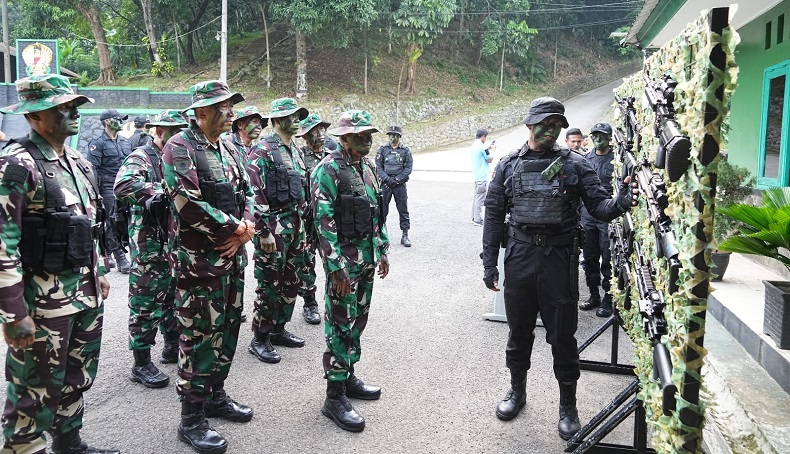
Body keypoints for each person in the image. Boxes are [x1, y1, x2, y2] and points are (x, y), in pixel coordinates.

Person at [481, 97, 638, 440]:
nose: (552, 130)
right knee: (518, 332)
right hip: (520, 257)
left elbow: (599, 206)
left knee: (562, 337)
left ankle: (568, 406)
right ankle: (516, 392)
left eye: (557, 125)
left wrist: (622, 202)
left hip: (559, 260)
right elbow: (493, 216)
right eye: (546, 124)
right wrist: (489, 263)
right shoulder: (508, 165)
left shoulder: (576, 165)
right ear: (530, 125)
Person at [0, 74, 118, 453]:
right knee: (32, 392)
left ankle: (70, 444)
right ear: (34, 117)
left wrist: (97, 270)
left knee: (76, 378)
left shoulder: (78, 161)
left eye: (74, 106)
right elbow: (3, 244)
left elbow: (87, 224)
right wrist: (14, 313)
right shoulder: (17, 165)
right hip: (42, 303)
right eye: (60, 107)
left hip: (83, 296)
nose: (72, 112)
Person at [162, 80, 255, 453]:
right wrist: (234, 226)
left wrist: (246, 229)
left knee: (228, 329)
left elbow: (249, 193)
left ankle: (216, 396)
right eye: (223, 107)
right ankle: (192, 419)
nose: (231, 112)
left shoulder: (229, 148)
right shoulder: (179, 147)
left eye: (230, 105)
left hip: (232, 259)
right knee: (199, 337)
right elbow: (186, 202)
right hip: (198, 265)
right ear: (201, 112)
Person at [311, 110, 389, 432]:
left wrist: (382, 248)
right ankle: (334, 395)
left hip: (366, 261)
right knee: (340, 325)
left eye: (369, 135)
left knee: (358, 321)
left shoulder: (367, 168)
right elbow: (322, 221)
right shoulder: (327, 170)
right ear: (344, 138)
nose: (367, 140)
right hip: (344, 265)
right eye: (360, 135)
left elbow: (376, 214)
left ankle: (348, 376)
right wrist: (336, 267)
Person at [114, 110, 188, 389]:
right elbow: (123, 185)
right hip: (149, 244)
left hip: (174, 243)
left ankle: (171, 346)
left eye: (182, 128)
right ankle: (141, 362)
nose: (178, 134)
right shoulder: (141, 157)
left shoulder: (181, 155)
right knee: (145, 301)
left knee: (172, 295)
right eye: (172, 130)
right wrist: (162, 191)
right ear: (157, 131)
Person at [246, 98, 309, 364]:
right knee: (270, 283)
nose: (296, 120)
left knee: (291, 281)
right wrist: (263, 231)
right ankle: (260, 338)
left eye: (298, 116)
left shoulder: (294, 149)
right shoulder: (262, 150)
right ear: (276, 121)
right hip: (273, 229)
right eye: (290, 116)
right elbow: (253, 193)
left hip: (296, 227)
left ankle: (279, 328)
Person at [295, 113, 331, 325]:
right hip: (307, 221)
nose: (321, 134)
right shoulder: (299, 156)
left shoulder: (333, 155)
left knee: (332, 260)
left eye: (322, 129)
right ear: (306, 136)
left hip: (328, 219)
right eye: (315, 131)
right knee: (307, 262)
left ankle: (332, 302)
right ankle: (310, 304)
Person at [86, 108, 132, 274]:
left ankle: (109, 251)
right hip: (107, 186)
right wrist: (95, 193)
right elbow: (93, 170)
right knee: (111, 220)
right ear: (107, 122)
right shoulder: (97, 144)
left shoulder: (125, 142)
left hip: (125, 185)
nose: (121, 122)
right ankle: (120, 257)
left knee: (126, 219)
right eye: (118, 119)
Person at [579, 122, 616, 318]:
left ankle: (608, 298)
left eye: (602, 136)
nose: (598, 139)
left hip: (608, 215)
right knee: (590, 256)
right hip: (588, 215)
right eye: (594, 136)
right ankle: (594, 295)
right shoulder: (585, 159)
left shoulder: (617, 160)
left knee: (608, 258)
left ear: (610, 137)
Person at [375, 125, 413, 247]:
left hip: (399, 185)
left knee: (403, 210)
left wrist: (397, 179)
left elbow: (408, 168)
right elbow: (378, 166)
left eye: (395, 135)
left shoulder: (405, 150)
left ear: (399, 136)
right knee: (382, 210)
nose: (393, 137)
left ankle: (405, 234)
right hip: (386, 185)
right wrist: (387, 179)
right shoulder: (383, 149)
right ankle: (381, 234)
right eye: (391, 135)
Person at [470, 128, 494, 226]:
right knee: (480, 199)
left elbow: (482, 154)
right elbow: (490, 159)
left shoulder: (473, 146)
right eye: (486, 137)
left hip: (476, 177)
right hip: (482, 178)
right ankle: (478, 219)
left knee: (476, 198)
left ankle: (473, 217)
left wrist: (488, 149)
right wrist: (494, 150)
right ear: (483, 136)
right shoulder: (482, 147)